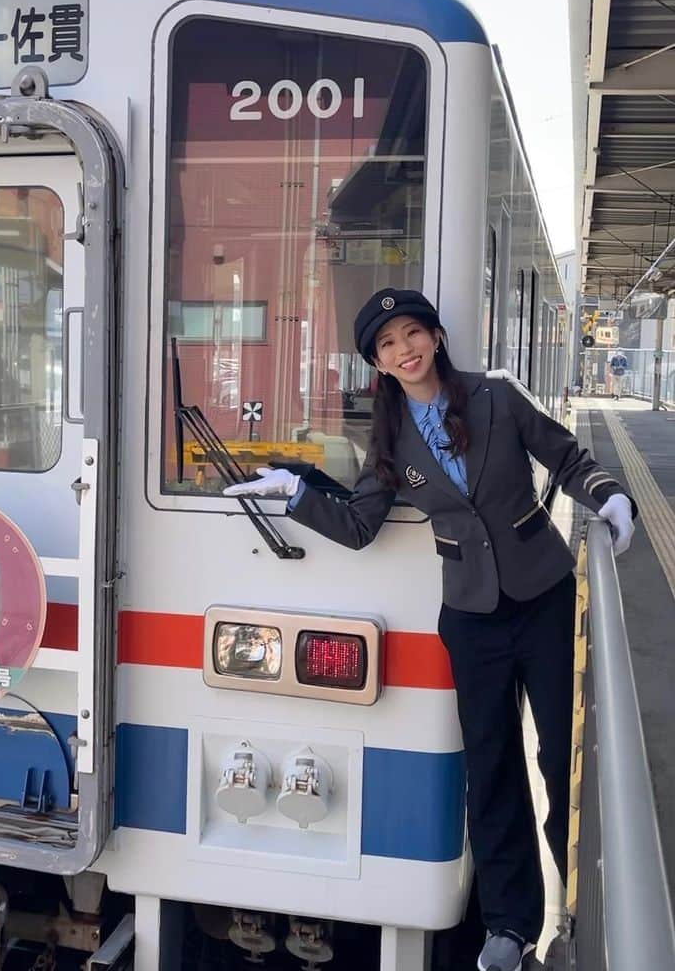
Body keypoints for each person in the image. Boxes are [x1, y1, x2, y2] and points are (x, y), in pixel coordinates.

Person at [224, 288, 636, 971]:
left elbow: (564, 458)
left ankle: (582, 905)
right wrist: (295, 496)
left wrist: (608, 494)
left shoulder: (496, 398)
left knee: (563, 756)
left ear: (436, 338)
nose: (404, 350)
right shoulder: (387, 438)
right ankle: (509, 924)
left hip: (544, 595)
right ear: (378, 365)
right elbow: (360, 526)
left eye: (413, 333)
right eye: (388, 344)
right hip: (470, 617)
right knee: (492, 766)